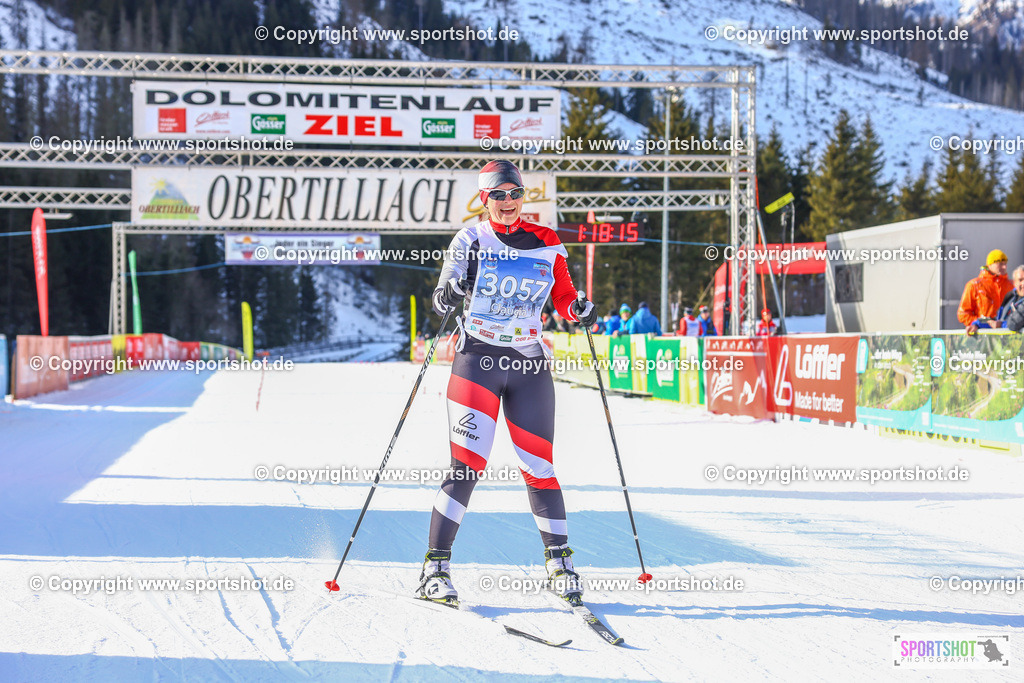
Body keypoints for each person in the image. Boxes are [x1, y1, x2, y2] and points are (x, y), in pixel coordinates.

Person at [420, 159, 598, 607]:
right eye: (497, 195)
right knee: (467, 467)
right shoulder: (470, 240)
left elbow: (563, 296)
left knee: (540, 467)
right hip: (477, 361)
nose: (507, 201)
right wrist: (452, 293)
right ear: (484, 200)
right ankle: (434, 569)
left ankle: (560, 564)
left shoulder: (547, 241)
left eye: (515, 193)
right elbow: (441, 297)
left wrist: (578, 309)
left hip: (528, 366)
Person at [959, 249, 1013, 332]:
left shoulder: (1012, 285)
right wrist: (980, 324)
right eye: (1000, 264)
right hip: (983, 334)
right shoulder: (974, 285)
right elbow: (963, 314)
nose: (1004, 267)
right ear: (990, 265)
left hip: (1007, 333)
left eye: (1005, 264)